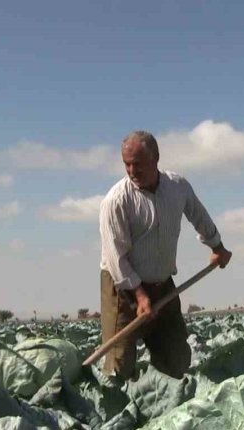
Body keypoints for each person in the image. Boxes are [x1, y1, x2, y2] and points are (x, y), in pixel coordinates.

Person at [99, 130, 232, 383]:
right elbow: (116, 258)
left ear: (156, 157)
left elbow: (199, 216)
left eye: (137, 164)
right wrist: (139, 295)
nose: (131, 170)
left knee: (176, 358)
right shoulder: (116, 201)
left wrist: (217, 247)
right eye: (126, 164)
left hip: (163, 285)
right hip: (123, 289)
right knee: (120, 364)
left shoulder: (177, 187)